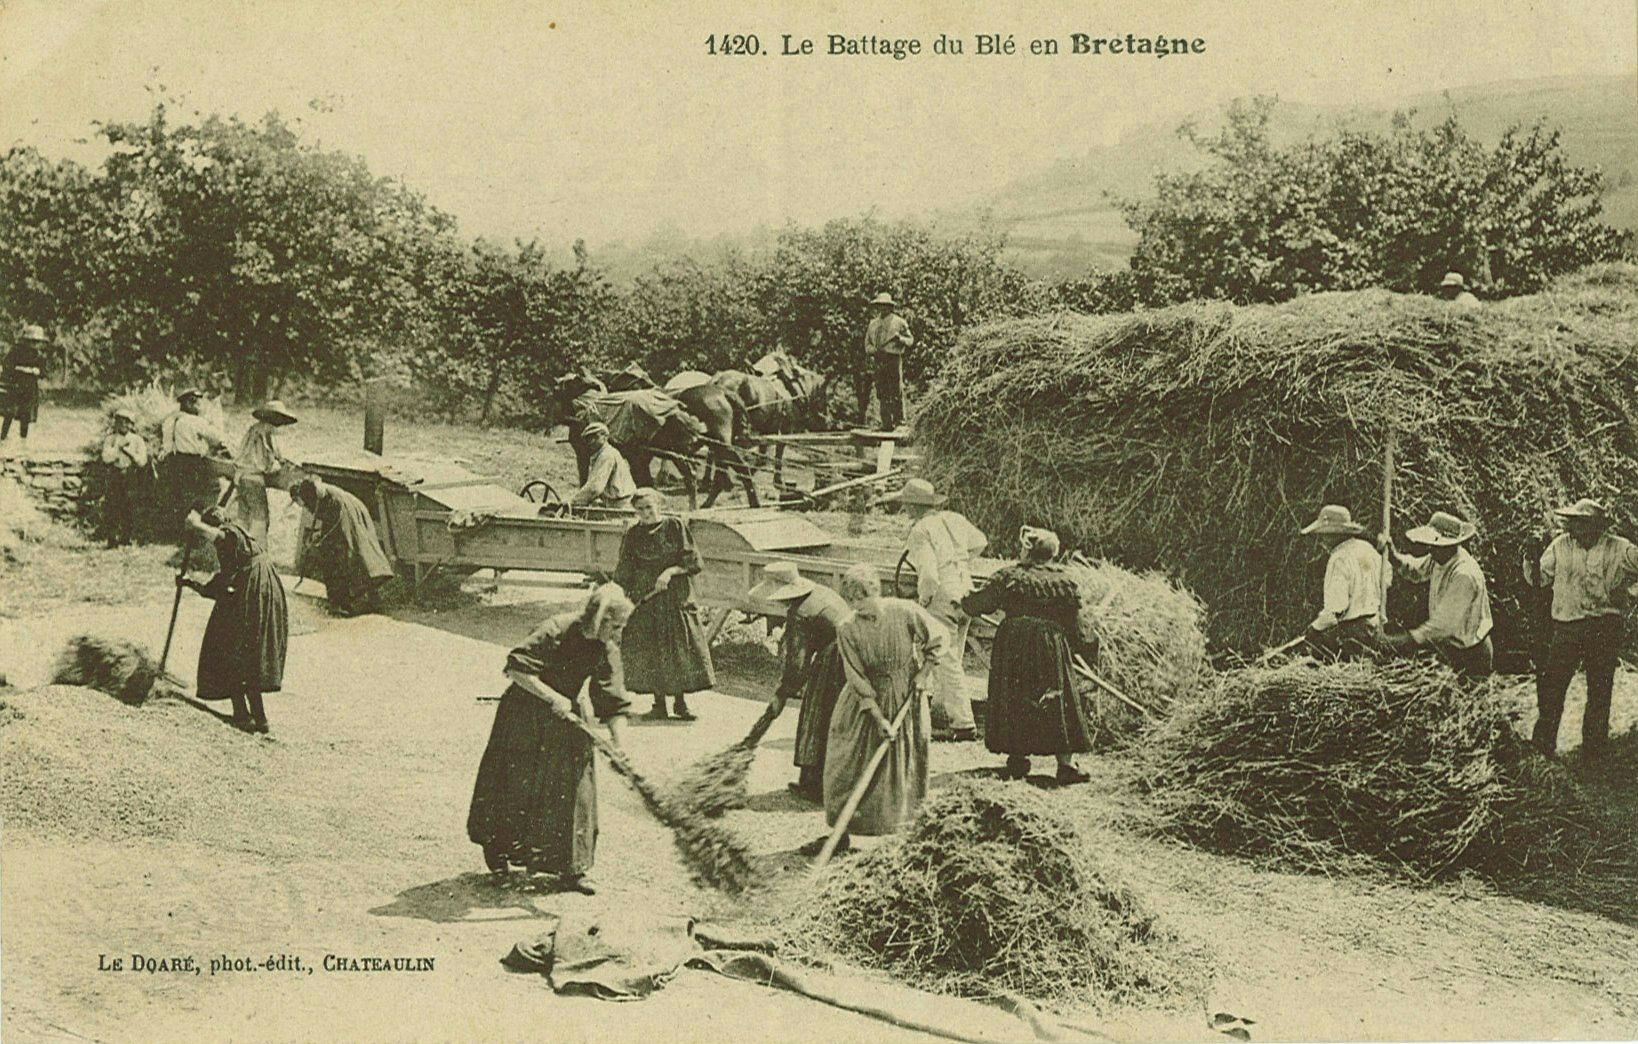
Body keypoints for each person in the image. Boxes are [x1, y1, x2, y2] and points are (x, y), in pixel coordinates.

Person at [466, 583, 635, 894]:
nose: (619, 634)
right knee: (515, 784)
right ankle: (499, 856)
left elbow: (612, 699)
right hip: (525, 712)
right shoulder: (556, 629)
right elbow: (516, 667)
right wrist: (551, 696)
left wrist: (619, 746)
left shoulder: (606, 647)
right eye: (616, 626)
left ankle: (572, 869)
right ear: (601, 619)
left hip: (566, 717)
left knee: (575, 790)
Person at [811, 563, 944, 855]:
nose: (857, 606)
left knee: (901, 767)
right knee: (845, 763)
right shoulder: (847, 628)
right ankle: (841, 834)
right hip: (865, 700)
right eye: (852, 601)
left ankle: (902, 836)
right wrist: (877, 716)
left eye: (862, 598)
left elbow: (938, 638)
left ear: (875, 591)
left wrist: (923, 674)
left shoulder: (905, 611)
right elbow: (855, 675)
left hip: (904, 694)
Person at [960, 527, 1096, 784]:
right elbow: (1075, 624)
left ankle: (1018, 759)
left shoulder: (1009, 577)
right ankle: (1066, 765)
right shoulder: (1064, 582)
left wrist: (965, 598)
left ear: (1027, 551)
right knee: (1054, 697)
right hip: (1049, 644)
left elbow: (978, 605)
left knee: (1015, 694)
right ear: (1052, 554)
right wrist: (1084, 649)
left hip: (1015, 643)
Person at [1524, 498, 1638, 758]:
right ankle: (1543, 745)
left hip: (1604, 626)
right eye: (1573, 523)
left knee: (1599, 688)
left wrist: (1631, 591)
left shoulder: (1619, 548)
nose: (1575, 529)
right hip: (1568, 626)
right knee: (1553, 685)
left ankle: (1594, 749)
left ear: (1597, 526)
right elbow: (1538, 580)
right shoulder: (1560, 546)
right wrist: (1530, 559)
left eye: (1581, 523)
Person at [887, 477, 985, 741]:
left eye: (907, 504)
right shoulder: (954, 518)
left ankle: (963, 724)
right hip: (966, 590)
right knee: (954, 655)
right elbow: (981, 542)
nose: (905, 509)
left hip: (943, 594)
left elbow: (929, 576)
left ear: (913, 505)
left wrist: (924, 600)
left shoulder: (920, 531)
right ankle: (942, 713)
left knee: (945, 659)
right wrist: (959, 562)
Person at [178, 507, 289, 734]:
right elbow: (220, 585)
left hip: (253, 593)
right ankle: (255, 717)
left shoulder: (231, 533)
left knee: (230, 649)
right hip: (260, 591)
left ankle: (246, 716)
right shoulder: (243, 547)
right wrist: (190, 583)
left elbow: (221, 537)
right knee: (242, 652)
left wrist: (197, 526)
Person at [750, 561, 851, 801]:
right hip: (853, 655)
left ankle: (815, 786)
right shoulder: (822, 592)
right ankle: (838, 783)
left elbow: (797, 664)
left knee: (817, 716)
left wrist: (782, 694)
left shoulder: (800, 613)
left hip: (834, 660)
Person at [613, 488, 715, 721]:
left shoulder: (675, 527)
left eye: (649, 507)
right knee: (652, 650)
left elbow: (693, 562)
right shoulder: (633, 534)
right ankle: (658, 705)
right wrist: (623, 597)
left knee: (677, 649)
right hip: (646, 599)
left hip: (674, 597)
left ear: (658, 505)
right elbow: (624, 569)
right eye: (640, 509)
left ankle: (680, 703)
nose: (645, 513)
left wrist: (669, 572)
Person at [1381, 511, 1494, 678]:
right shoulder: (1439, 558)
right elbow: (1416, 570)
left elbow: (1442, 626)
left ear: (1450, 545)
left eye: (1435, 546)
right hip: (1451, 649)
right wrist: (1393, 556)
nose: (1431, 549)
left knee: (1471, 693)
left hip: (1471, 653)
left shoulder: (1464, 574)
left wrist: (1404, 640)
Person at [291, 477, 396, 616]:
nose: (301, 506)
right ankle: (369, 600)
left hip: (345, 511)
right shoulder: (315, 493)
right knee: (360, 554)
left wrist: (320, 541)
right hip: (353, 508)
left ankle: (341, 602)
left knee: (338, 554)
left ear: (300, 496)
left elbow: (331, 522)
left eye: (299, 502)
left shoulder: (313, 492)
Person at [1300, 504, 1382, 660]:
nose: (1321, 540)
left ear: (1335, 534)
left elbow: (1336, 608)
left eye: (1324, 535)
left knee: (1314, 648)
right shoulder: (1367, 548)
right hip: (1375, 627)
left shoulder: (1339, 559)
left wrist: (1314, 629)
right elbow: (1387, 576)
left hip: (1353, 634)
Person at [159, 389, 232, 527]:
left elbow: (166, 445)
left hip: (176, 461)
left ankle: (180, 528)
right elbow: (217, 438)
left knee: (181, 497)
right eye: (198, 403)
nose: (200, 407)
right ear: (189, 403)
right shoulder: (195, 421)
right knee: (212, 489)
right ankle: (205, 524)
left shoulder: (171, 420)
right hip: (194, 463)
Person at [235, 400, 298, 546]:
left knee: (244, 516)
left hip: (241, 476)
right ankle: (258, 550)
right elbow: (274, 458)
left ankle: (239, 548)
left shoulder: (254, 429)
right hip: (253, 478)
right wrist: (284, 466)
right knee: (260, 517)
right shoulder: (266, 432)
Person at [98, 408, 150, 547]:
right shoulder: (110, 439)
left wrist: (129, 452)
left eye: (127, 422)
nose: (123, 425)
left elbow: (142, 461)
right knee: (112, 506)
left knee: (129, 505)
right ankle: (112, 538)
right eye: (120, 422)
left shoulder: (137, 440)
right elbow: (106, 458)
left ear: (131, 424)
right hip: (115, 474)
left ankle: (126, 538)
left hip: (131, 475)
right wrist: (117, 449)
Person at [862, 292, 912, 430]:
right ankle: (886, 423)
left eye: (885, 306)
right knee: (882, 390)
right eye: (880, 305)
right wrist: (874, 350)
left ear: (890, 307)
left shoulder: (899, 322)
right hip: (879, 359)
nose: (883, 308)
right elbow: (867, 345)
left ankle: (900, 421)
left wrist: (900, 339)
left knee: (896, 389)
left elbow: (910, 340)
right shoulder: (873, 324)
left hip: (893, 358)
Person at [570, 421, 636, 510]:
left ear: (605, 437)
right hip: (615, 503)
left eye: (596, 437)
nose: (592, 441)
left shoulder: (607, 455)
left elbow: (594, 488)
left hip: (621, 506)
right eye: (589, 439)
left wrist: (573, 501)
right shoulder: (601, 454)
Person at [1, 324, 47, 441]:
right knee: (9, 412)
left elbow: (43, 372)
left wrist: (37, 371)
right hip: (15, 385)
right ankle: (3, 437)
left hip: (30, 388)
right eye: (32, 341)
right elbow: (7, 365)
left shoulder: (39, 355)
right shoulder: (16, 351)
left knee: (25, 415)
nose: (34, 344)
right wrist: (21, 369)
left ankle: (23, 440)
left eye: (37, 342)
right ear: (26, 340)